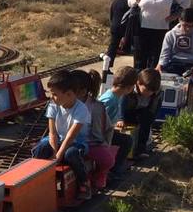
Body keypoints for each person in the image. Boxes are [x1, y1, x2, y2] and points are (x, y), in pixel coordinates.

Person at [32, 70, 91, 199]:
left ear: (69, 94)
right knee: (41, 147)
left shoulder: (81, 109)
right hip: (57, 140)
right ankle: (36, 180)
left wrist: (58, 155)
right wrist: (54, 152)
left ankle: (84, 183)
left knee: (71, 153)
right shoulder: (53, 105)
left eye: (54, 94)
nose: (51, 97)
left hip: (76, 142)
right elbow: (52, 132)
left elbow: (71, 136)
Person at [129, 0, 191, 70]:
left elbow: (186, 2)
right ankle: (137, 84)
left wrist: (176, 15)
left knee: (155, 60)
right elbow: (130, 3)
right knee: (140, 61)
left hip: (161, 29)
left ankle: (151, 84)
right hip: (141, 28)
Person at [158, 7, 193, 112]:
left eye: (191, 26)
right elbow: (164, 55)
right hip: (173, 65)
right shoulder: (170, 35)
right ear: (179, 21)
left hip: (192, 67)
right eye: (185, 25)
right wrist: (160, 66)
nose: (187, 29)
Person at [104, 0, 150, 76]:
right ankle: (135, 68)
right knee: (135, 49)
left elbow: (111, 14)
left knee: (112, 47)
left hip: (115, 27)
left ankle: (107, 66)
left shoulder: (115, 1)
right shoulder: (131, 4)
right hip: (127, 28)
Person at [99, 65, 139, 181]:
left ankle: (116, 168)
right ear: (129, 87)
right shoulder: (110, 100)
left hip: (107, 132)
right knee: (126, 141)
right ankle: (114, 171)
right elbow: (99, 120)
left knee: (126, 140)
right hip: (101, 135)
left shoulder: (116, 97)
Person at [80, 69, 117, 190]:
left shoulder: (96, 107)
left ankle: (100, 174)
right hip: (75, 142)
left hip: (92, 143)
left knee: (108, 160)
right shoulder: (67, 104)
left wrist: (105, 143)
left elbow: (108, 128)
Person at [120, 68, 162, 160]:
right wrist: (121, 118)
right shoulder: (129, 90)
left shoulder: (156, 93)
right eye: (146, 90)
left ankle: (141, 149)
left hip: (142, 112)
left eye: (152, 91)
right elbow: (121, 105)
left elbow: (154, 108)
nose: (149, 93)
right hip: (128, 112)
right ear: (138, 83)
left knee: (146, 121)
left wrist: (151, 119)